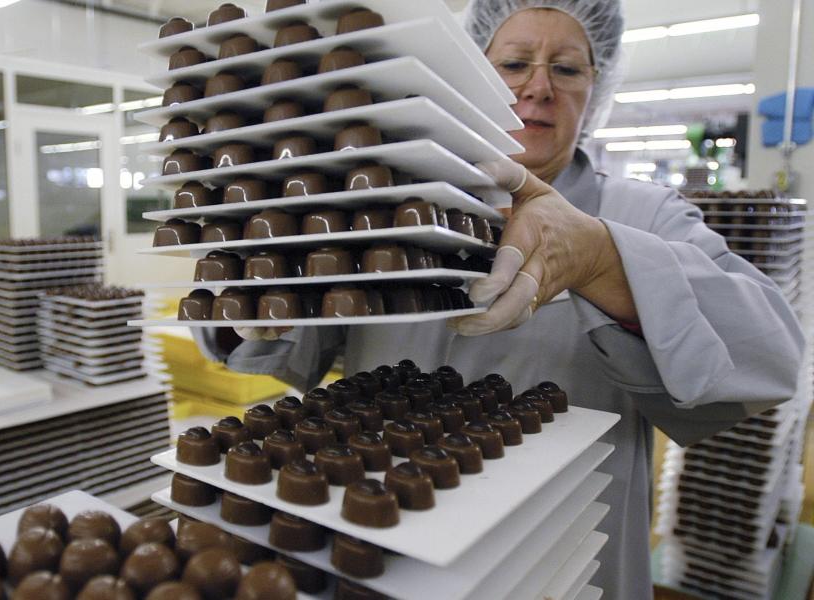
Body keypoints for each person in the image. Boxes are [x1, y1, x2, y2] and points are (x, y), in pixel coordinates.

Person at [194, 0, 805, 596]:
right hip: (381, 530)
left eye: (566, 68)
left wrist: (603, 260)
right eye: (514, 64)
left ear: (599, 86)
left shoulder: (642, 214)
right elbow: (287, 348)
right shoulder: (383, 201)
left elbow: (769, 355)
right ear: (473, 75)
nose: (538, 87)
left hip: (567, 554)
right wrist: (254, 286)